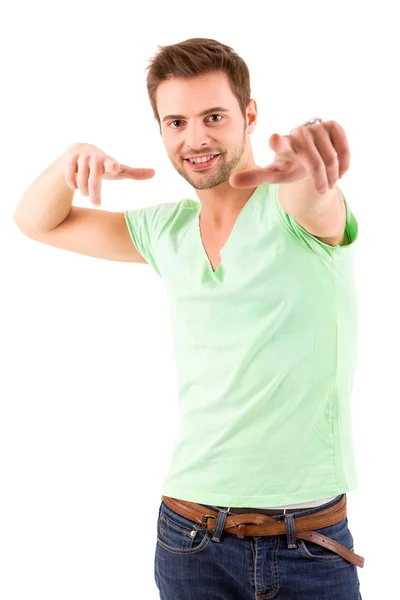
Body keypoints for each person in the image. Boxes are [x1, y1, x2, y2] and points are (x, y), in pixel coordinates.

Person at [13, 38, 364, 599]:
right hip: (188, 536)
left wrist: (310, 163)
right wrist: (68, 160)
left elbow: (313, 196)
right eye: (175, 121)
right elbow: (37, 223)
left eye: (214, 117)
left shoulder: (294, 210)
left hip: (307, 544)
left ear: (250, 117)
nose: (194, 138)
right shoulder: (163, 230)